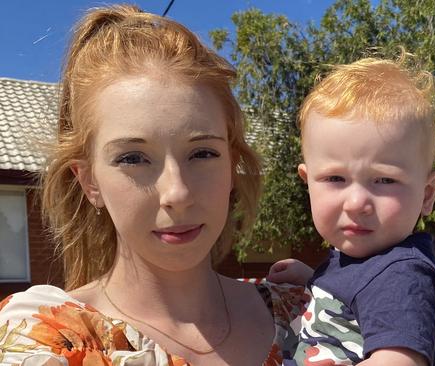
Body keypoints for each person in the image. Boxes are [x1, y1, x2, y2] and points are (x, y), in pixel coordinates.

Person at [0, 5, 308, 366]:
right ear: (89, 181)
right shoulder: (44, 340)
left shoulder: (310, 312)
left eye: (203, 153)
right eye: (133, 158)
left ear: (232, 165)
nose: (177, 193)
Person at [268, 57, 435, 365]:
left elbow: (399, 361)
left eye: (384, 180)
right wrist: (311, 278)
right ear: (308, 182)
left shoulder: (402, 275)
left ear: (427, 194)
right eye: (335, 178)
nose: (356, 203)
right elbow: (353, 306)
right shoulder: (358, 262)